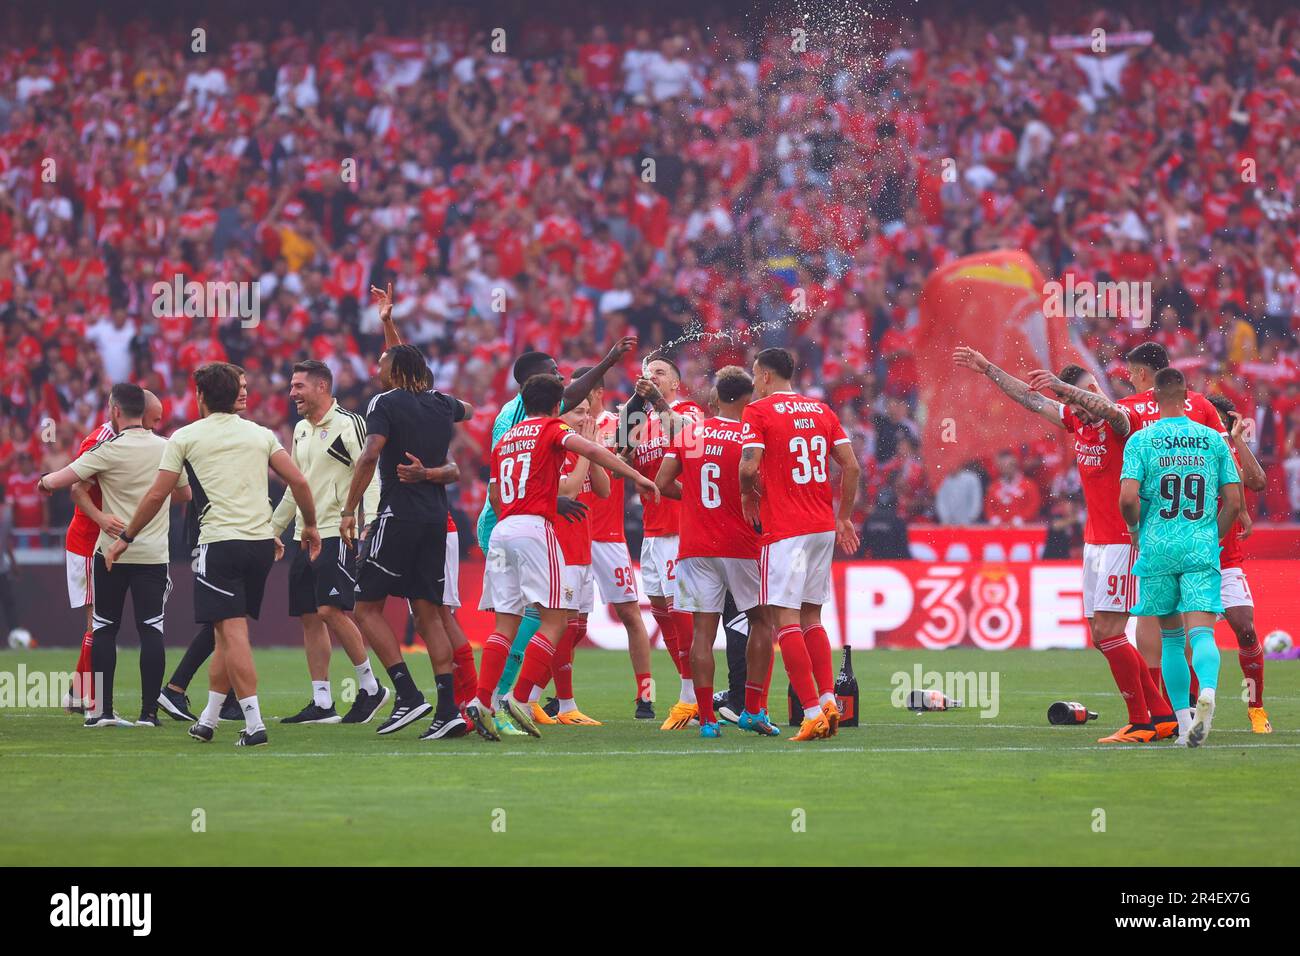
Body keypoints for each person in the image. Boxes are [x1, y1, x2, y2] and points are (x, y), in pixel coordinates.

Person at [957, 348, 1174, 743]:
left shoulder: (1121, 420)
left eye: (1091, 390)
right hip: (1094, 543)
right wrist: (989, 368)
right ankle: (1160, 713)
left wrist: (1066, 389)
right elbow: (1030, 397)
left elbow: (1108, 410)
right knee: (1100, 634)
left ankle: (1142, 720)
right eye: (1081, 393)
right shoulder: (1076, 420)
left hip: (1122, 542)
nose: (1090, 398)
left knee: (1110, 632)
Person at [107, 363, 321, 748]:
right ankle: (208, 718)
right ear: (235, 396)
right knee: (225, 632)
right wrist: (307, 526)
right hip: (260, 544)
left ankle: (253, 724)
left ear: (201, 397)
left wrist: (126, 536)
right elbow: (300, 481)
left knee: (232, 632)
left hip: (219, 544)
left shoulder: (184, 437)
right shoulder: (261, 435)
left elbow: (158, 496)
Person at [465, 373, 660, 740]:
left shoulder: (505, 437)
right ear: (558, 406)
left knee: (505, 625)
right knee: (556, 620)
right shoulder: (551, 429)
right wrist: (638, 476)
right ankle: (519, 700)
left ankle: (481, 700)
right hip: (535, 531)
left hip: (503, 530)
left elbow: (494, 494)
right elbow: (594, 452)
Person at [341, 343, 470, 739]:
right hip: (435, 518)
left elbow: (370, 454)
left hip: (397, 516)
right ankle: (447, 710)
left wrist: (349, 509)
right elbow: (456, 460)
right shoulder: (442, 404)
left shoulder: (384, 402)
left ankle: (408, 694)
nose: (377, 366)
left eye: (382, 362)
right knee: (428, 612)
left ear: (395, 370)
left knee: (364, 607)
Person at [739, 348, 861, 742]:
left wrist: (748, 494)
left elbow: (748, 465)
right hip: (823, 526)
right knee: (812, 618)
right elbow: (852, 466)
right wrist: (843, 517)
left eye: (756, 375)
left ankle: (810, 712)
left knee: (785, 621)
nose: (754, 381)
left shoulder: (757, 412)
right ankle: (828, 699)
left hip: (786, 530)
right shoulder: (821, 411)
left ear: (765, 377)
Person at [1120, 367, 1243, 747]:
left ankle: (1183, 720)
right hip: (1199, 544)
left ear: (1154, 398)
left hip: (1158, 545)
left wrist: (1135, 531)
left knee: (1172, 639)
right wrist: (1211, 535)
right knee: (1202, 633)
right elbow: (1235, 503)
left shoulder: (1142, 440)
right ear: (1187, 395)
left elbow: (1127, 499)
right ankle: (1207, 689)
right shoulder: (1212, 439)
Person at [656, 365, 776, 739]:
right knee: (761, 621)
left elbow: (662, 483)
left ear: (717, 397)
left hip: (694, 545)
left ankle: (707, 719)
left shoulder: (691, 433)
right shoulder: (750, 435)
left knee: (703, 633)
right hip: (740, 544)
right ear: (746, 399)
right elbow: (760, 486)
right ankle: (752, 710)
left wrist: (693, 500)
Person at [270, 359, 388, 725]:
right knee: (309, 617)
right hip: (306, 534)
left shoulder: (349, 423)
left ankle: (371, 688)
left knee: (329, 610)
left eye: (298, 386)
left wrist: (366, 522)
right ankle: (322, 702)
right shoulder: (302, 430)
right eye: (291, 386)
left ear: (322, 387)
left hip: (339, 531)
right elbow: (296, 485)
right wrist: (273, 529)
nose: (292, 393)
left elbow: (370, 471)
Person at [60, 392, 164, 713]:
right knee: (99, 625)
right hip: (91, 541)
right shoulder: (104, 440)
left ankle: (78, 693)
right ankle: (91, 702)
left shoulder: (125, 440)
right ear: (137, 413)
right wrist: (103, 519)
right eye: (155, 418)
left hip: (102, 542)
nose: (156, 425)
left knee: (98, 625)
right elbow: (76, 487)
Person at [571, 365, 657, 718]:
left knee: (630, 614)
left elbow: (634, 438)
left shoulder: (616, 424)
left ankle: (646, 694)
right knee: (567, 622)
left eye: (583, 390)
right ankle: (561, 698)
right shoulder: (563, 427)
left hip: (607, 537)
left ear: (597, 392)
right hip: (572, 535)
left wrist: (643, 393)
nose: (576, 397)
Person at [625, 356, 707, 730]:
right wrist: (633, 412)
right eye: (647, 373)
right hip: (652, 531)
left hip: (681, 530)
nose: (651, 377)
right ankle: (687, 691)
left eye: (659, 373)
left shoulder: (688, 410)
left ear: (675, 383)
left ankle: (691, 697)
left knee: (680, 614)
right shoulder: (639, 422)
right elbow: (618, 456)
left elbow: (692, 443)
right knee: (662, 616)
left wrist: (657, 402)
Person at [531, 397, 608, 726]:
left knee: (577, 629)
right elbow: (570, 492)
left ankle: (534, 694)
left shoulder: (582, 449)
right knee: (561, 628)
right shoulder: (556, 449)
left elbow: (603, 490)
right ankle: (559, 703)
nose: (585, 417)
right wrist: (586, 451)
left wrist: (593, 453)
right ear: (559, 414)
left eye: (588, 411)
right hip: (559, 548)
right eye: (578, 411)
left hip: (582, 547)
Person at [1206, 394, 1271, 733]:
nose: (1214, 424)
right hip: (1192, 560)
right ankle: (1185, 712)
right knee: (1187, 641)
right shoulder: (1188, 450)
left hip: (1227, 562)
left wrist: (1235, 439)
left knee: (1246, 630)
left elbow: (1258, 481)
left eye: (1220, 420)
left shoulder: (1227, 448)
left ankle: (1255, 708)